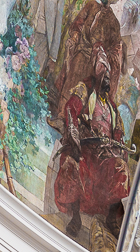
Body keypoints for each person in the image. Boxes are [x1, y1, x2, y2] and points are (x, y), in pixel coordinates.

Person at [54, 51, 130, 239]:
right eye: (105, 75)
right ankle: (76, 216)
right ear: (99, 73)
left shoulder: (112, 107)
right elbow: (71, 108)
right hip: (86, 147)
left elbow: (118, 132)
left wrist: (118, 147)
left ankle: (113, 217)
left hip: (105, 154)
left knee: (121, 168)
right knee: (74, 164)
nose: (107, 81)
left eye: (109, 77)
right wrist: (73, 130)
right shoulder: (85, 90)